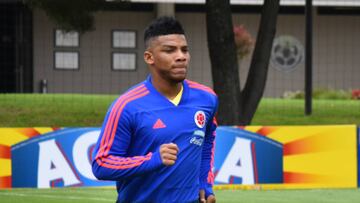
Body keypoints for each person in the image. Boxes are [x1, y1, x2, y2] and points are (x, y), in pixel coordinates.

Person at [92, 16, 218, 203]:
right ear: (149, 57)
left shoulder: (207, 99)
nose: (181, 56)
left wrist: (204, 184)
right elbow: (101, 164)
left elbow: (207, 141)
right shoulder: (127, 106)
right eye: (170, 50)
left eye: (184, 50)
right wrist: (152, 160)